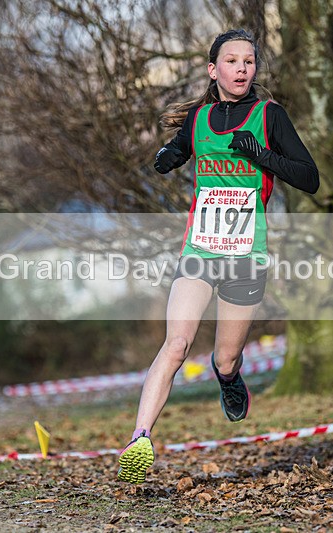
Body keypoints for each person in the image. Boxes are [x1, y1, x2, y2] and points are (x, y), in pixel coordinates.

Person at [117, 28, 319, 484]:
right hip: (200, 250)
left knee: (227, 358)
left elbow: (310, 178)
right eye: (231, 61)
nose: (241, 69)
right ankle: (140, 437)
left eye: (248, 61)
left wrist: (262, 155)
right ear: (214, 69)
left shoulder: (271, 116)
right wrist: (168, 155)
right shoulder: (200, 117)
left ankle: (227, 376)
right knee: (176, 343)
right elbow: (181, 146)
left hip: (246, 255)